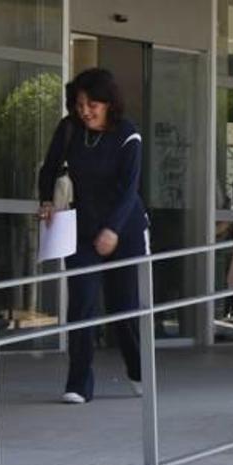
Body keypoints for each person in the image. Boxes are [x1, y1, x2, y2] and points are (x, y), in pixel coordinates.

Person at [38, 68, 150, 404]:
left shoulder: (128, 134)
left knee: (124, 306)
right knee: (81, 306)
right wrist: (45, 200)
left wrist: (113, 229)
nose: (85, 111)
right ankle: (78, 383)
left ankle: (138, 369)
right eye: (79, 104)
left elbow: (129, 190)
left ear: (108, 103)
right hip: (82, 230)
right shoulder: (70, 129)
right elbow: (50, 168)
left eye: (92, 104)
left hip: (125, 230)